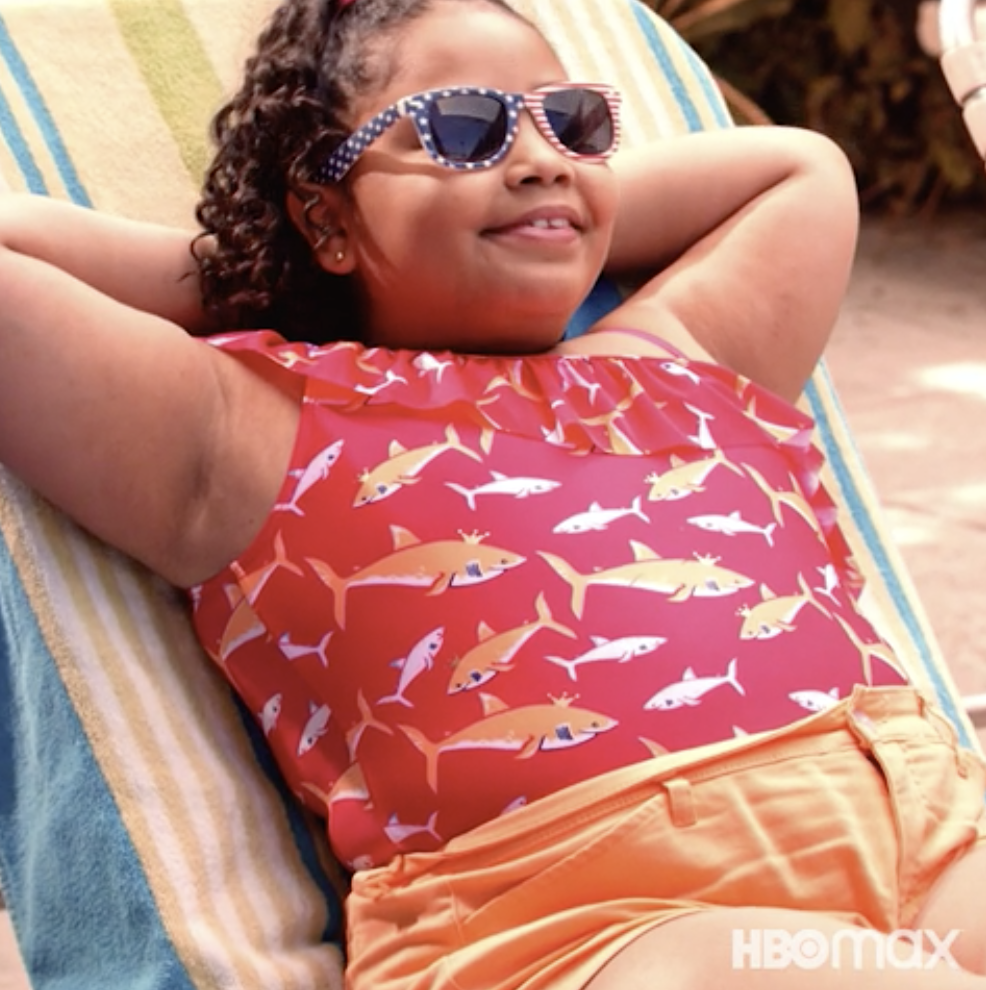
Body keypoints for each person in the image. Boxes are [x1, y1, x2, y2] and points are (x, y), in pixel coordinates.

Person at [2, 0, 986, 986]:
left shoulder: (670, 360)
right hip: (583, 917)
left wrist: (547, 200)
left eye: (574, 124)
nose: (541, 156)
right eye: (463, 128)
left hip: (922, 832)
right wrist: (273, 261)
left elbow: (798, 168)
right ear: (325, 212)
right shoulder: (249, 429)